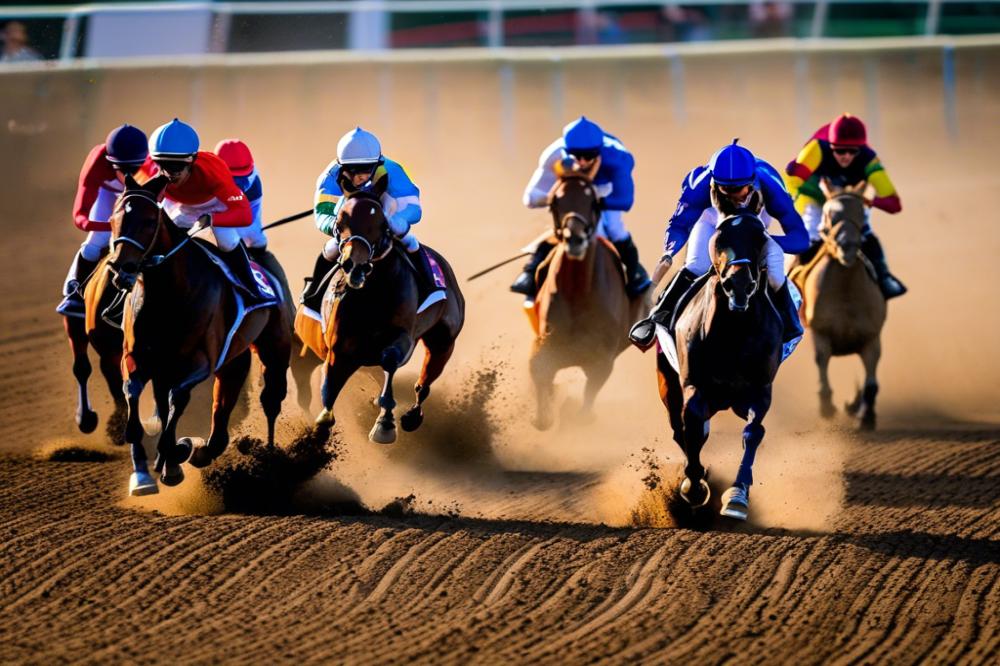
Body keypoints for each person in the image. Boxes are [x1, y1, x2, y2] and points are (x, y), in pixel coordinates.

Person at [629, 139, 809, 348]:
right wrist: (669, 252)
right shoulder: (700, 184)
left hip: (753, 225)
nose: (732, 196)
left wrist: (762, 241)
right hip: (712, 221)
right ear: (714, 184)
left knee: (775, 272)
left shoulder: (770, 185)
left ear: (752, 184)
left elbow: (800, 238)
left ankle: (791, 326)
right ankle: (657, 319)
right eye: (726, 189)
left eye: (739, 189)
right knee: (697, 265)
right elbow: (679, 224)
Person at [301, 127, 442, 319]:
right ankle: (313, 296)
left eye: (366, 169)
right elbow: (322, 215)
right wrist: (336, 226)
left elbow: (414, 208)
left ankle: (429, 288)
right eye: (352, 170)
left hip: (385, 216)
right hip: (351, 225)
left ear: (377, 164)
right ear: (341, 166)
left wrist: (396, 220)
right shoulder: (329, 177)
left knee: (409, 240)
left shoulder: (392, 169)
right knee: (332, 247)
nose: (359, 176)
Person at [514, 116, 650, 297]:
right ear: (567, 151)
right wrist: (557, 198)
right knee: (568, 224)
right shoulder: (554, 156)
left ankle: (635, 273)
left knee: (614, 227)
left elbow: (625, 201)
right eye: (577, 156)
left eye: (589, 156)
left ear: (599, 151)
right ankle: (530, 272)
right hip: (569, 190)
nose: (583, 162)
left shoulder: (618, 158)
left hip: (605, 189)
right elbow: (530, 199)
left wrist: (593, 201)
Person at [784, 113, 906, 298]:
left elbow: (894, 204)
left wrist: (869, 201)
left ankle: (884, 277)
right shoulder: (817, 148)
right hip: (815, 197)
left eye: (852, 151)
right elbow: (791, 177)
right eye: (840, 151)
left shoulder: (869, 159)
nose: (846, 156)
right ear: (831, 146)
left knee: (865, 234)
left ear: (860, 149)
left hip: (852, 198)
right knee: (810, 234)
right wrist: (807, 197)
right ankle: (786, 283)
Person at [148, 119, 265, 300]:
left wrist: (212, 219)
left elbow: (245, 215)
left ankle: (251, 288)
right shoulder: (156, 177)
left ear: (192, 161)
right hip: (187, 207)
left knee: (227, 240)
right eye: (163, 164)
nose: (170, 173)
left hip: (217, 205)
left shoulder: (214, 174)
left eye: (177, 166)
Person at [57, 124, 152, 317]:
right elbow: (80, 216)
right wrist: (112, 226)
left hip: (143, 195)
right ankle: (75, 293)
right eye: (122, 168)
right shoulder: (96, 162)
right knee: (93, 245)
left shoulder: (153, 166)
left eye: (135, 168)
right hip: (109, 195)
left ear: (145, 160)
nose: (128, 175)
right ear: (109, 161)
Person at [213, 138, 286, 288]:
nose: (239, 183)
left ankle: (278, 293)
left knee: (257, 241)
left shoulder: (253, 183)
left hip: (241, 218)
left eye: (242, 176)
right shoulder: (205, 175)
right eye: (234, 177)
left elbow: (248, 221)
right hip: (205, 215)